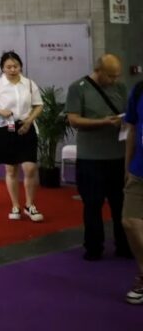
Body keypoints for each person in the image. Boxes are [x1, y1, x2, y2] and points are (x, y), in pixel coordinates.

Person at [65, 55, 130, 260]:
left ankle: (125, 245)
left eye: (116, 75)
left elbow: (129, 114)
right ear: (98, 70)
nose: (114, 79)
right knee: (93, 204)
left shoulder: (120, 88)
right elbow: (74, 120)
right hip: (91, 157)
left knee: (120, 203)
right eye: (110, 76)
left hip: (118, 156)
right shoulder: (78, 88)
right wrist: (103, 122)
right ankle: (94, 247)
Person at [0, 51, 45, 221]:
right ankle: (15, 205)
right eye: (8, 67)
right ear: (2, 68)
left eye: (15, 66)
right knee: (11, 169)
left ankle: (30, 205)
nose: (12, 69)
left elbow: (39, 105)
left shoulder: (29, 84)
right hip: (5, 128)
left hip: (26, 126)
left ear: (20, 66)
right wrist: (0, 111)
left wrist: (29, 121)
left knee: (30, 167)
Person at [123, 79, 143, 304]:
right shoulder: (139, 90)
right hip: (139, 170)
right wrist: (127, 167)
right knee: (130, 221)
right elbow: (132, 130)